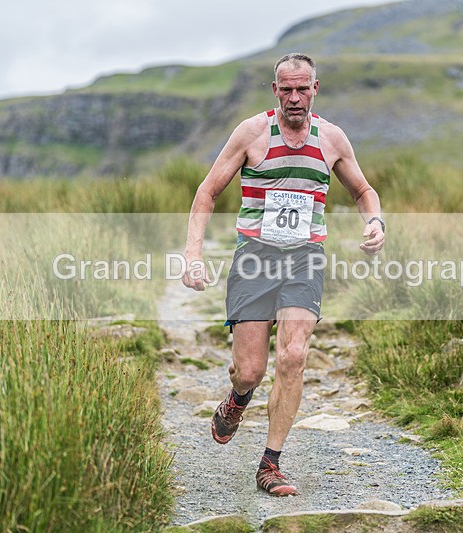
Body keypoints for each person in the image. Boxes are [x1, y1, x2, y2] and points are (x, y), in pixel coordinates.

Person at [180, 53, 385, 496]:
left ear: (316, 88)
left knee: (293, 356)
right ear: (275, 91)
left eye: (302, 88)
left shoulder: (332, 139)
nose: (295, 97)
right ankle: (237, 401)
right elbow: (208, 190)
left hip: (304, 259)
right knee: (250, 371)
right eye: (286, 89)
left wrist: (375, 222)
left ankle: (270, 464)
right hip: (255, 257)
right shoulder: (252, 133)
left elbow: (364, 191)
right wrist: (192, 254)